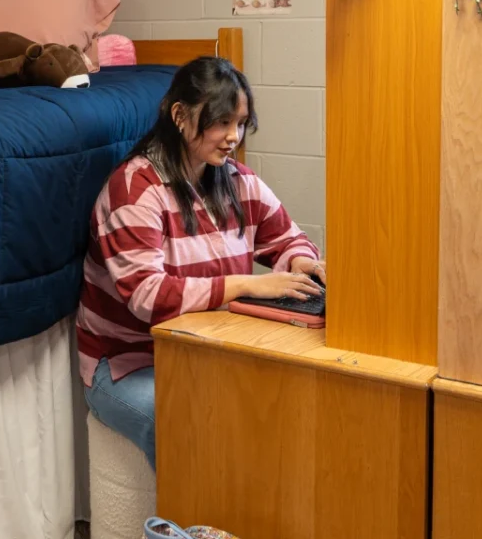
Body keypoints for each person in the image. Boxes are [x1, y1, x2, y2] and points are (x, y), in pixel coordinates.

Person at [77, 56, 323, 467]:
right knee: (189, 420)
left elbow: (288, 239)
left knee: (276, 409)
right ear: (180, 115)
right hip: (126, 364)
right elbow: (147, 297)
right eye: (222, 122)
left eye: (241, 123)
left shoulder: (237, 181)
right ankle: (188, 528)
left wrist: (301, 262)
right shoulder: (134, 190)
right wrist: (248, 284)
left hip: (204, 353)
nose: (234, 136)